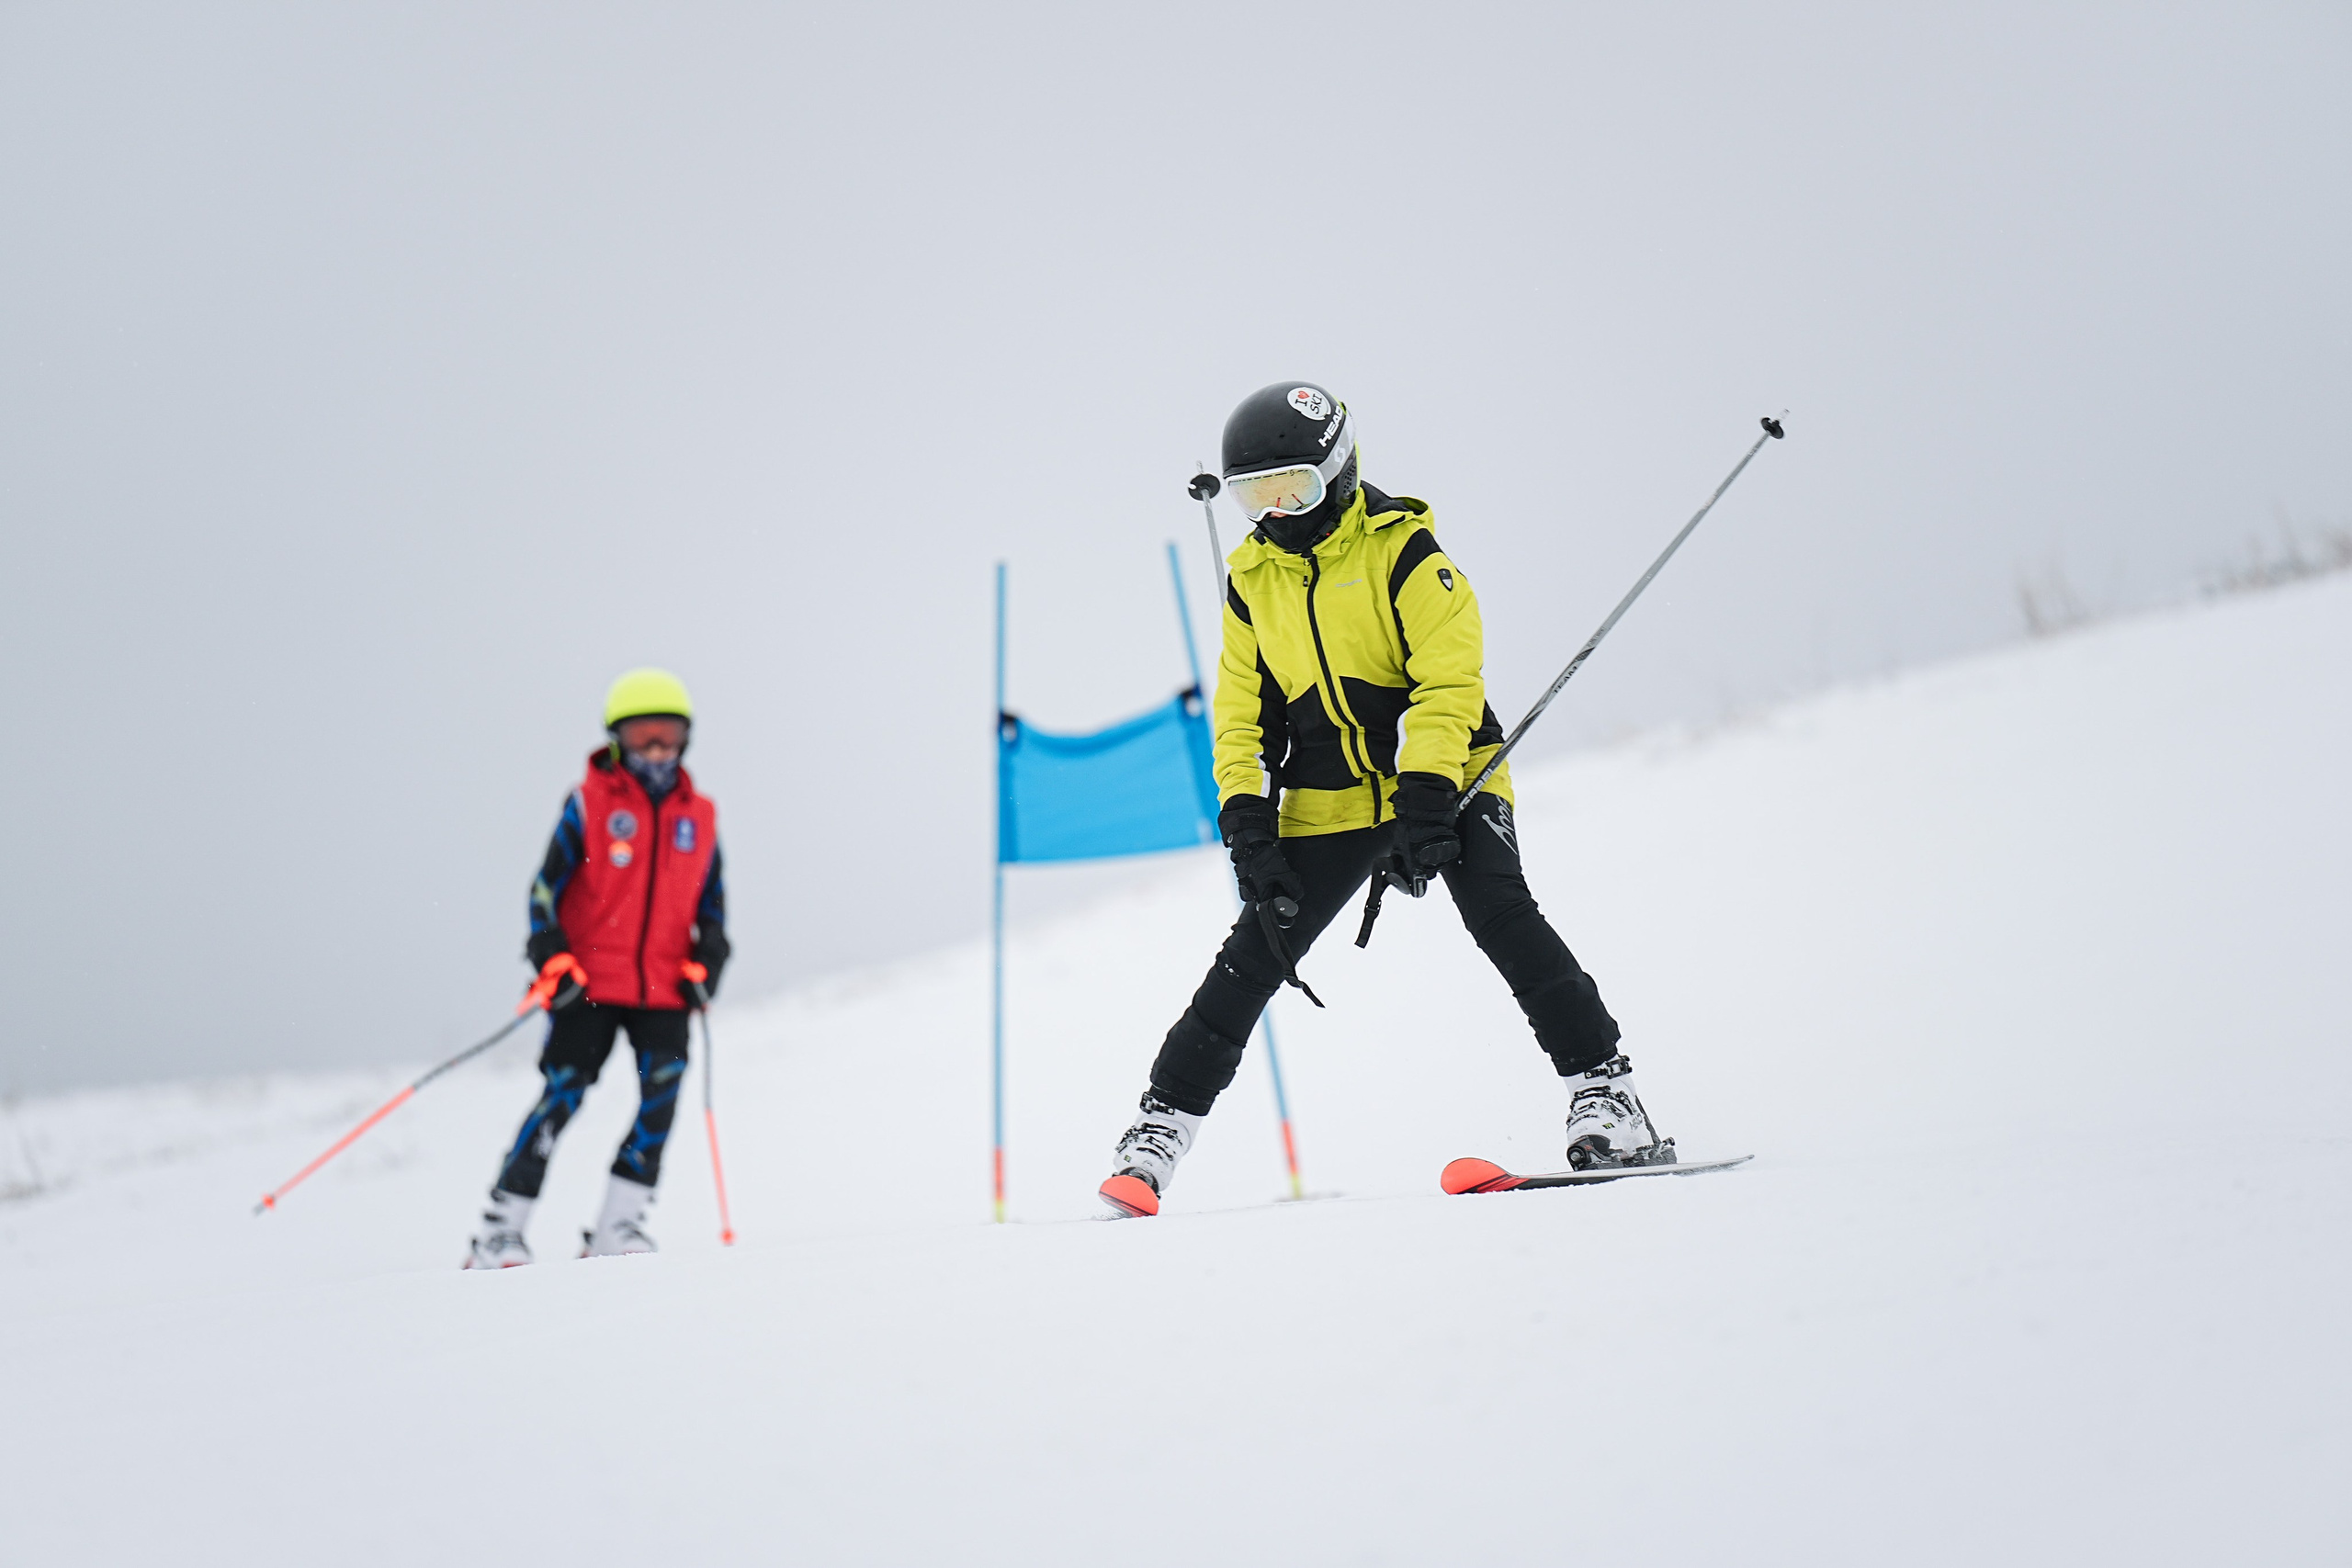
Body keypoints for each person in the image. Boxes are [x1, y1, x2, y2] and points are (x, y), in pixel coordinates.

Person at [1099, 383, 1669, 1217]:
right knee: (1256, 950)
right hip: (1330, 796)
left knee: (1501, 912)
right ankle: (1157, 1133)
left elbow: (1448, 683)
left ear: (1337, 469)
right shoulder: (1252, 578)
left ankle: (1609, 1096)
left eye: (1291, 486)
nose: (1275, 511)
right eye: (1256, 494)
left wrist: (1429, 797)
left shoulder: (1408, 554)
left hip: (1447, 772)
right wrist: (1247, 818)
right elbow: (1240, 711)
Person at [466, 669, 729, 1267]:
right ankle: (499, 1228)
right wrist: (550, 954)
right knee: (562, 1097)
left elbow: (713, 909)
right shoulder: (590, 803)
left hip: (665, 986)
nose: (657, 748)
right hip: (587, 983)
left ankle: (620, 1224)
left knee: (660, 1101)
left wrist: (707, 963)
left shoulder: (702, 818)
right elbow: (544, 888)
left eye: (668, 734)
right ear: (618, 739)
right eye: (643, 736)